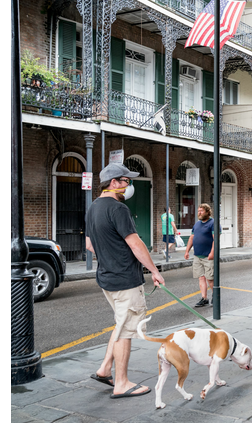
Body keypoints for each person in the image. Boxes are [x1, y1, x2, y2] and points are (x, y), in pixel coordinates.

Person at [85, 163, 165, 399]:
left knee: (121, 323)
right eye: (126, 181)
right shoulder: (118, 209)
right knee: (126, 330)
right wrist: (154, 271)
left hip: (107, 278)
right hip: (125, 281)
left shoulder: (93, 208)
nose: (129, 186)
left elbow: (90, 245)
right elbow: (135, 243)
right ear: (114, 183)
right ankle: (121, 383)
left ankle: (104, 369)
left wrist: (109, 254)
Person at [184, 203, 215, 308]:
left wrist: (212, 252)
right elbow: (192, 238)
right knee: (201, 278)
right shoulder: (196, 224)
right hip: (197, 256)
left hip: (208, 256)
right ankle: (204, 298)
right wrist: (187, 251)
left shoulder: (213, 223)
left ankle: (215, 295)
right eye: (198, 211)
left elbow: (216, 240)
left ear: (207, 212)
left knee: (210, 278)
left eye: (201, 211)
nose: (199, 213)